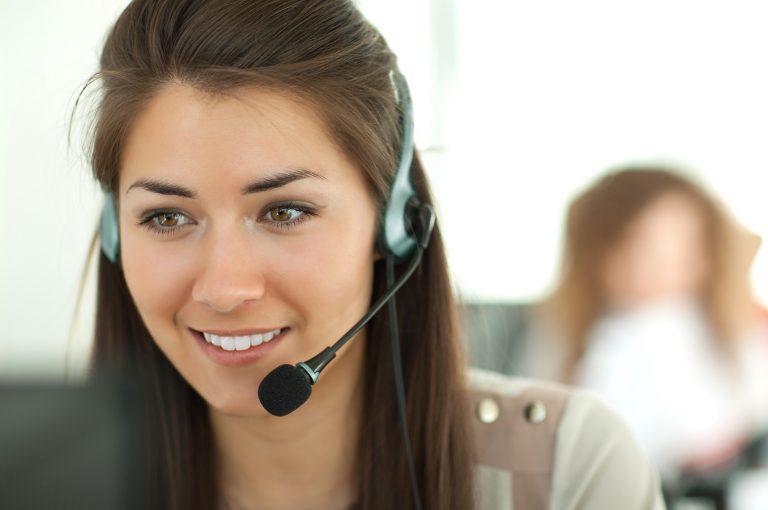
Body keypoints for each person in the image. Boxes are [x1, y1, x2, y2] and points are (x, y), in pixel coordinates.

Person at [79, 1, 665, 508]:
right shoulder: (40, 482)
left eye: (285, 212)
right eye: (167, 217)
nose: (224, 288)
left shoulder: (571, 469)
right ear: (115, 234)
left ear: (393, 225)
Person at [524, 167, 768, 480]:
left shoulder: (733, 331)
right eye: (638, 246)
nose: (658, 266)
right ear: (596, 252)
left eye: (681, 248)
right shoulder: (569, 337)